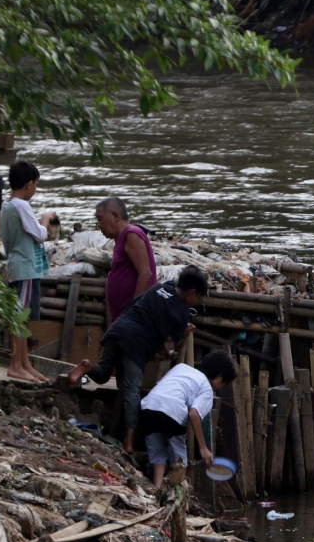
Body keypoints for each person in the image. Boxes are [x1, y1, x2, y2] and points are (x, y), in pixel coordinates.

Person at [68, 265, 208, 453]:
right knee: (132, 391)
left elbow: (145, 317)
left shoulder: (159, 288)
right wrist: (185, 333)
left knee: (102, 374)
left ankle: (86, 366)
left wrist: (162, 349)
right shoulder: (181, 311)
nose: (195, 302)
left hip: (117, 331)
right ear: (192, 292)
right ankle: (129, 439)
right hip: (136, 344)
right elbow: (175, 343)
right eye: (198, 298)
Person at [140, 350, 237, 487]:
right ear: (219, 377)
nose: (220, 388)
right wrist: (203, 447)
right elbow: (193, 413)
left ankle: (157, 489)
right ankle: (177, 495)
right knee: (179, 461)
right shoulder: (207, 389)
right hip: (173, 410)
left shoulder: (181, 367)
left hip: (148, 407)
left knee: (158, 453)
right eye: (223, 383)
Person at [0, 160, 56, 383]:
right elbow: (40, 234)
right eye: (36, 184)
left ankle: (24, 363)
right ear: (30, 184)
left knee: (20, 317)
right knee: (20, 319)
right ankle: (16, 365)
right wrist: (44, 220)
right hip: (24, 268)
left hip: (16, 264)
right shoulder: (22, 205)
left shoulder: (7, 205)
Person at [95, 197, 156, 321]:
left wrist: (133, 314)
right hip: (123, 317)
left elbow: (146, 274)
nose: (98, 225)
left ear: (115, 216)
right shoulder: (121, 238)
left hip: (133, 319)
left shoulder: (132, 234)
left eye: (100, 220)